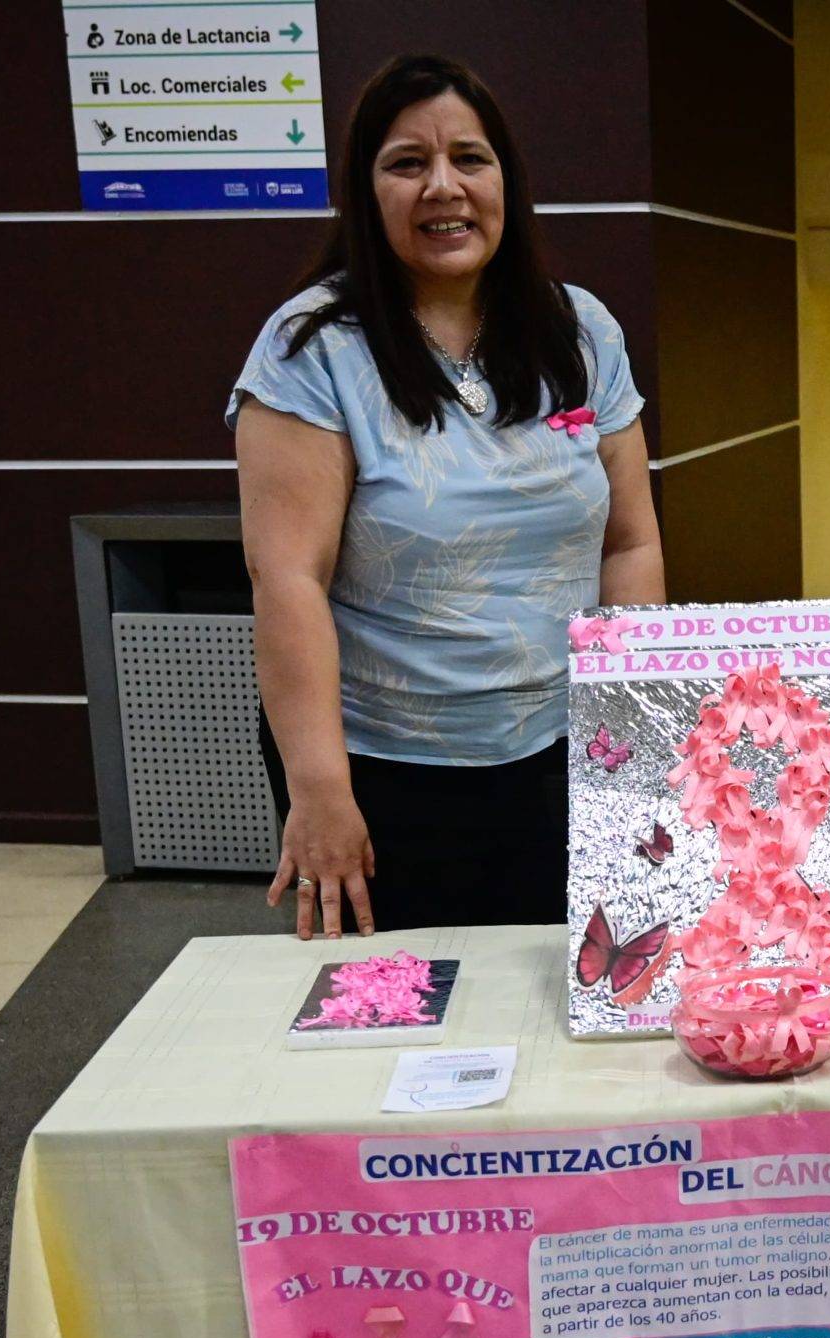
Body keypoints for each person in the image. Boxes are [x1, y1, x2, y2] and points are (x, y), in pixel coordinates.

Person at [231, 53, 664, 941]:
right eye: (406, 163)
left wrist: (634, 737)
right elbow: (287, 580)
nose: (444, 188)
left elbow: (629, 545)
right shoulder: (312, 348)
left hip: (565, 754)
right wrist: (319, 791)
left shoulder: (580, 330)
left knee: (561, 1008)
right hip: (384, 773)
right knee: (400, 1033)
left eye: (470, 158)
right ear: (365, 190)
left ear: (506, 179)